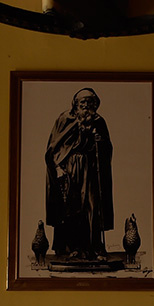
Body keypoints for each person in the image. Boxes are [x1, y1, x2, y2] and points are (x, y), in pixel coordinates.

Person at [44, 88, 114, 260]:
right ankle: (71, 247)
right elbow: (54, 147)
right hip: (70, 169)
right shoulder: (65, 119)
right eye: (82, 103)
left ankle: (94, 247)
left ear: (95, 105)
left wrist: (101, 142)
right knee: (70, 207)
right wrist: (58, 168)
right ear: (76, 105)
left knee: (92, 206)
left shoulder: (99, 122)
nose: (86, 107)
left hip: (90, 169)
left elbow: (107, 149)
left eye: (90, 103)